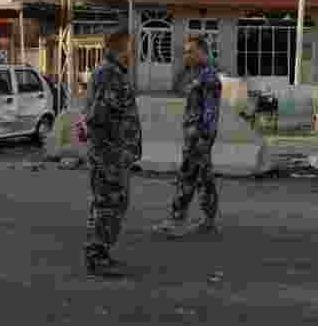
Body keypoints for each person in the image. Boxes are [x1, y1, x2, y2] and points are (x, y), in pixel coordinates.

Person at [76, 27, 141, 276]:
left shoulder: (109, 73)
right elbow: (99, 116)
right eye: (131, 48)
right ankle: (98, 255)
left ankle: (100, 252)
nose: (133, 54)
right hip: (110, 155)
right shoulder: (111, 75)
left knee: (110, 203)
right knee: (109, 204)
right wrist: (110, 153)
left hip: (110, 154)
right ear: (122, 49)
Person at [155, 37, 222, 238]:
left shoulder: (208, 77)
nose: (187, 56)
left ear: (202, 52)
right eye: (185, 52)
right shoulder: (197, 74)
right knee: (204, 177)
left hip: (199, 136)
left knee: (187, 175)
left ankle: (177, 219)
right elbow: (182, 92)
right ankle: (208, 220)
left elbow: (211, 111)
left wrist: (203, 137)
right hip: (196, 134)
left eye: (190, 52)